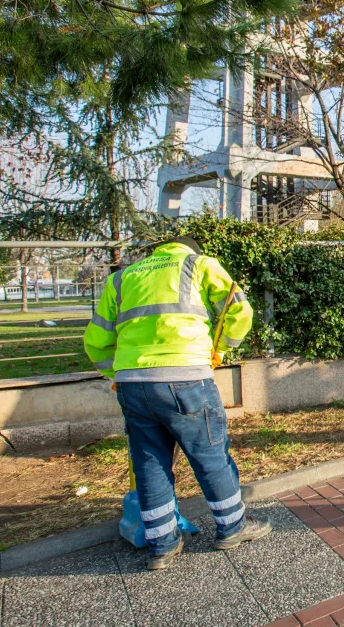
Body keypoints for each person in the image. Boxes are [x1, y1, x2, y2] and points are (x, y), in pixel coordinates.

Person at [84, 237, 270, 569]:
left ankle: (162, 544)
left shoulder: (121, 278)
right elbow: (240, 311)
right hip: (186, 378)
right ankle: (232, 526)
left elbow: (95, 340)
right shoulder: (199, 264)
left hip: (132, 384)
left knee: (149, 462)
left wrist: (114, 374)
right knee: (209, 453)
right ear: (190, 249)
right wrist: (221, 350)